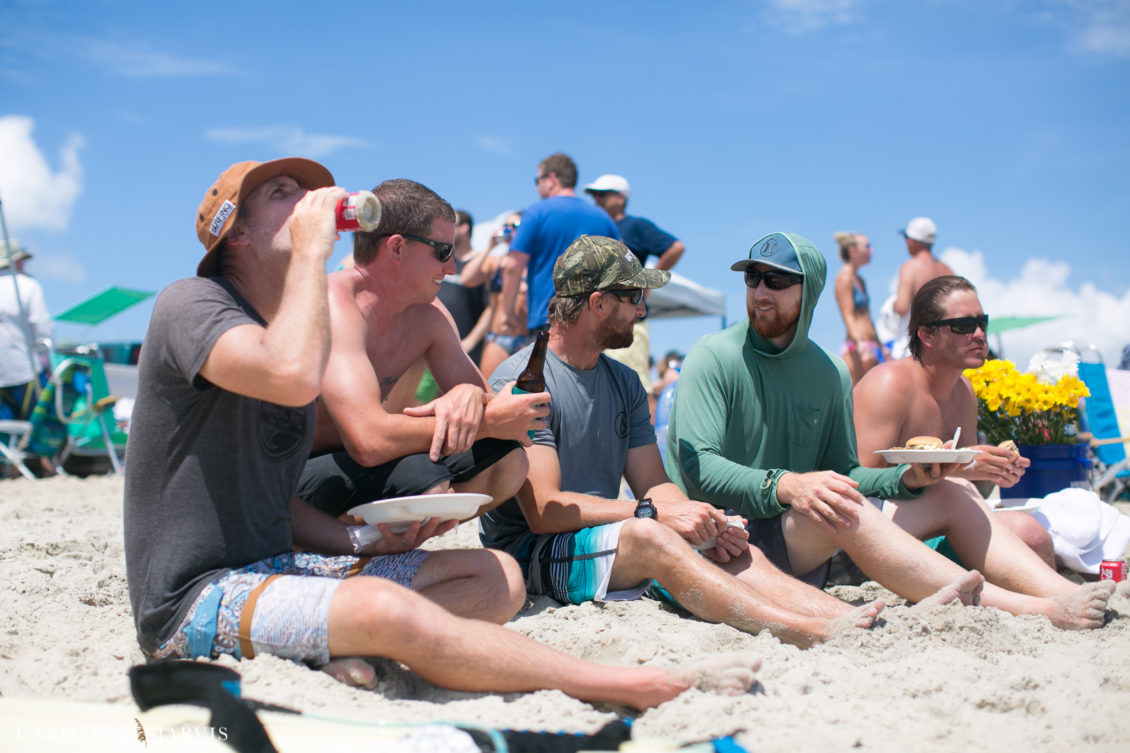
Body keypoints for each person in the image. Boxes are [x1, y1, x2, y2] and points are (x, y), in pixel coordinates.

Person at [122, 157, 759, 710]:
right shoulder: (191, 302)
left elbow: (270, 500)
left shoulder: (299, 325)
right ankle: (618, 681)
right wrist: (316, 252)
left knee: (497, 577)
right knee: (384, 607)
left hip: (285, 565)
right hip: (195, 598)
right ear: (234, 232)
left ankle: (324, 647)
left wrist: (360, 537)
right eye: (282, 194)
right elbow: (294, 381)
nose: (306, 204)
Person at [664, 232, 1113, 630]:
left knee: (950, 493)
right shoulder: (714, 356)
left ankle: (1059, 592)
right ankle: (1032, 611)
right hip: (725, 538)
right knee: (841, 505)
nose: (761, 290)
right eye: (752, 278)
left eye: (777, 280)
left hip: (798, 539)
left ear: (810, 290)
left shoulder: (829, 372)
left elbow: (845, 470)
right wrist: (788, 484)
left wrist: (908, 479)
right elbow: (698, 467)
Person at [484, 235, 888, 647]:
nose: (643, 310)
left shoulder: (623, 382)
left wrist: (700, 518)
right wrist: (653, 514)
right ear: (598, 303)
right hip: (529, 554)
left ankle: (842, 616)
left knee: (722, 540)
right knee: (650, 533)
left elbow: (654, 483)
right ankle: (800, 629)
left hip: (607, 538)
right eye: (635, 296)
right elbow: (545, 511)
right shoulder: (524, 381)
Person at [295, 180, 537, 521]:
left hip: (361, 460)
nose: (452, 268)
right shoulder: (336, 304)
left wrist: (469, 395)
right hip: (288, 476)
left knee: (507, 459)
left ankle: (386, 546)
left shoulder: (429, 315)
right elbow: (368, 441)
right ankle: (345, 547)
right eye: (443, 252)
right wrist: (487, 421)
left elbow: (490, 405)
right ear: (397, 249)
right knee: (425, 485)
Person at [854, 275, 1064, 569]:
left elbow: (963, 488)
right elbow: (853, 482)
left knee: (1042, 531)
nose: (979, 334)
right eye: (964, 325)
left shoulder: (964, 391)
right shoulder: (889, 384)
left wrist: (992, 471)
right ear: (926, 335)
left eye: (982, 322)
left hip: (937, 523)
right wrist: (962, 467)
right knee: (1027, 534)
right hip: (874, 538)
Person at [584, 174, 685, 392]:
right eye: (595, 196)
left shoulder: (635, 226)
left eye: (603, 194)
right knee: (600, 387)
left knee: (635, 386)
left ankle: (643, 428)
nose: (597, 200)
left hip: (628, 318)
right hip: (599, 319)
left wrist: (646, 284)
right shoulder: (596, 229)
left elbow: (676, 247)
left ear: (621, 198)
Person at [500, 153, 619, 337]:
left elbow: (513, 267)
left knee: (545, 366)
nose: (537, 186)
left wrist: (506, 313)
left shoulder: (537, 213)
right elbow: (620, 271)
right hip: (595, 322)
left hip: (549, 320)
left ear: (552, 179)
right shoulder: (604, 219)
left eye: (537, 180)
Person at [460, 212, 529, 379]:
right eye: (507, 227)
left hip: (528, 339)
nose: (510, 231)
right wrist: (490, 247)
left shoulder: (536, 265)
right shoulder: (495, 262)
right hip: (498, 338)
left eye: (516, 226)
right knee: (492, 393)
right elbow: (466, 278)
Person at [884, 217, 953, 359]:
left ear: (912, 240)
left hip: (919, 342)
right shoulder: (947, 270)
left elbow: (902, 307)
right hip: (944, 342)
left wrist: (891, 305)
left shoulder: (910, 267)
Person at [0, 241, 52, 422]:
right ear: (17, 262)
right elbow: (43, 329)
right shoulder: (28, 285)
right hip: (25, 371)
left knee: (5, 436)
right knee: (37, 429)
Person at [832, 231, 889, 384]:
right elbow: (848, 315)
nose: (872, 250)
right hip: (857, 349)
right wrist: (859, 343)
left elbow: (868, 317)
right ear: (853, 252)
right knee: (855, 400)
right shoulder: (844, 278)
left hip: (869, 346)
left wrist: (881, 345)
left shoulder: (860, 280)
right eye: (867, 246)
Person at [436, 210, 490, 366]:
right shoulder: (440, 261)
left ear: (464, 228)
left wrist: (471, 341)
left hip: (467, 352)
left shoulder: (481, 264)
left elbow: (491, 308)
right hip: (435, 346)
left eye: (450, 224)